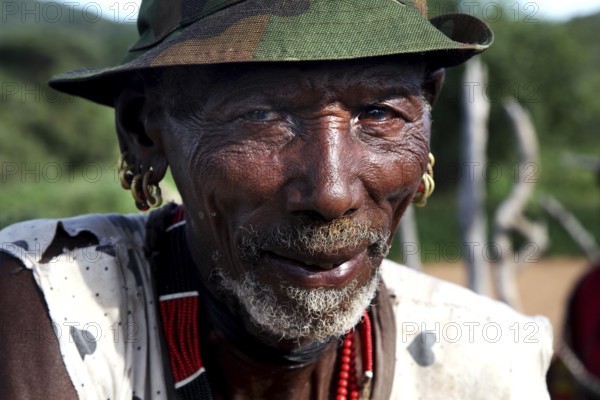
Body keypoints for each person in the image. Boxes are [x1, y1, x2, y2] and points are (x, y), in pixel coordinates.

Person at [0, 1, 552, 399]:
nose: (331, 194)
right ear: (143, 131)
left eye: (380, 113)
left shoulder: (486, 362)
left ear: (428, 111)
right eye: (260, 115)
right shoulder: (46, 309)